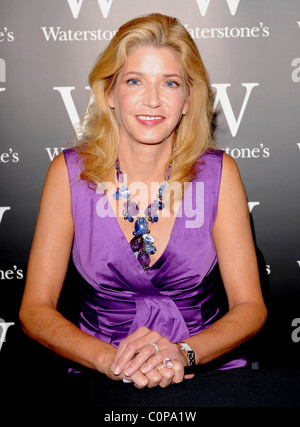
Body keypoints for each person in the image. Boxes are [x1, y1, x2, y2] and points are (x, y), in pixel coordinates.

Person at [19, 13, 267, 391]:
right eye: (134, 81)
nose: (152, 99)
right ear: (109, 93)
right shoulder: (68, 174)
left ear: (187, 99)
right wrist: (110, 360)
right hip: (97, 374)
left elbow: (251, 307)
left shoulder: (219, 174)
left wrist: (182, 353)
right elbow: (34, 310)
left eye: (170, 83)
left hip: (206, 374)